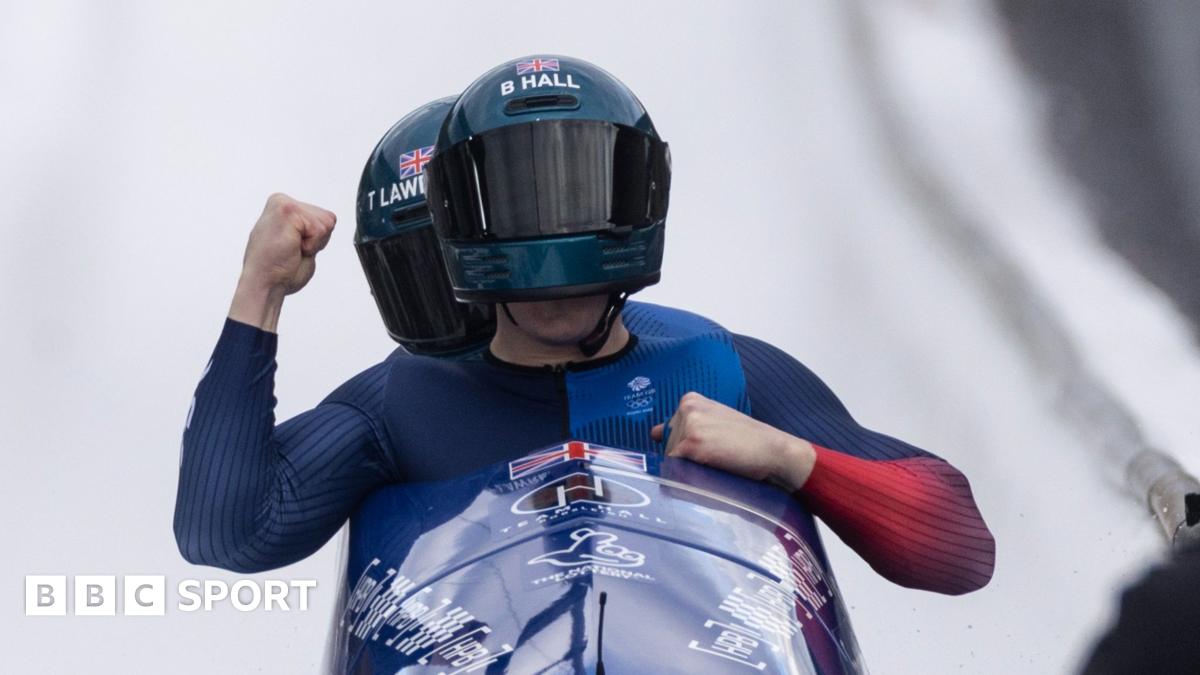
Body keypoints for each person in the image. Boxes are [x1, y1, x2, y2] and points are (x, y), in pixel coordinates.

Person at [174, 56, 995, 604]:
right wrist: (261, 294)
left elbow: (961, 550)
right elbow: (225, 531)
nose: (553, 273)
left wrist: (790, 459)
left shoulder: (721, 368)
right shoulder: (400, 403)